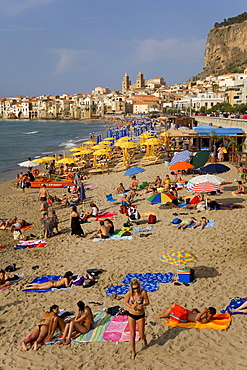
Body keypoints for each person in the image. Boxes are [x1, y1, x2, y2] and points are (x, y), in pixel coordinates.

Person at [125, 278, 149, 360]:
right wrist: (131, 306)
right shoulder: (129, 293)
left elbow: (147, 302)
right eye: (134, 288)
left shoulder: (143, 292)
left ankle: (144, 339)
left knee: (141, 334)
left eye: (137, 288)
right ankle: (133, 352)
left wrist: (143, 305)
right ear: (131, 288)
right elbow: (126, 302)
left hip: (140, 315)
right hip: (131, 314)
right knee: (132, 335)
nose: (136, 290)